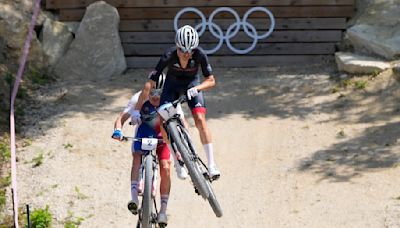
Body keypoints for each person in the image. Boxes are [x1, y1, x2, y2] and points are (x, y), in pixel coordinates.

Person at [134, 25, 220, 179]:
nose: (187, 54)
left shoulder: (200, 54)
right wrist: (136, 109)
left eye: (190, 50)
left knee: (200, 120)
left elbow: (211, 80)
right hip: (171, 87)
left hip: (192, 86)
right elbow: (150, 83)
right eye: (182, 50)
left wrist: (198, 88)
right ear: (177, 47)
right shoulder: (168, 56)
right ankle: (177, 161)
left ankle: (211, 164)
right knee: (163, 121)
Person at [111, 73, 186, 225]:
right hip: (144, 134)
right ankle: (133, 198)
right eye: (152, 93)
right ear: (148, 89)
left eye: (159, 93)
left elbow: (183, 124)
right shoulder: (138, 98)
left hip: (163, 138)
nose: (155, 97)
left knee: (166, 167)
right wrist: (118, 130)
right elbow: (122, 118)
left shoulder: (170, 99)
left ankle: (163, 211)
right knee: (137, 157)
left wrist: (182, 145)